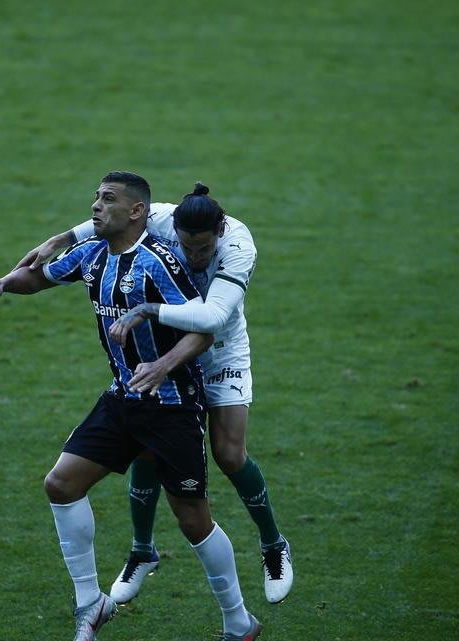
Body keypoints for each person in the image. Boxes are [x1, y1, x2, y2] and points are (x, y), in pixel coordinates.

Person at [0, 172, 260, 641]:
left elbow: (204, 331)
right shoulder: (95, 254)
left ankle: (238, 623)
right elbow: (43, 275)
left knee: (193, 521)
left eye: (108, 200)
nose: (96, 207)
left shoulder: (160, 263)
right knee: (60, 484)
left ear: (137, 211)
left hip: (172, 407)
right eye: (96, 198)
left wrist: (162, 365)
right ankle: (91, 603)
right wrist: (2, 284)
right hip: (124, 399)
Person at [15, 183, 293, 605]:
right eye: (187, 248)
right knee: (146, 439)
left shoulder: (239, 245)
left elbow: (214, 317)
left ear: (219, 231)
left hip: (219, 350)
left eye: (203, 250)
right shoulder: (165, 216)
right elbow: (111, 218)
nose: (196, 257)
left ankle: (273, 544)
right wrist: (62, 239)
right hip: (168, 345)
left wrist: (147, 310)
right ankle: (142, 551)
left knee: (229, 454)